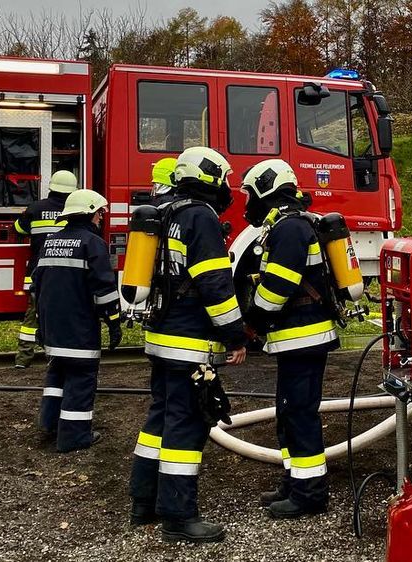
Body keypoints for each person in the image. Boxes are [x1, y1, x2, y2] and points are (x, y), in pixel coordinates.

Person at [127, 146, 247, 544]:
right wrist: (235, 334)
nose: (228, 187)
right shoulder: (200, 216)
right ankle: (179, 518)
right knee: (185, 425)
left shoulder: (162, 212)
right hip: (190, 341)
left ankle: (143, 503)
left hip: (160, 337)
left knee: (158, 419)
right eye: (224, 178)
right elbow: (215, 283)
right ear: (209, 177)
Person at [241, 159, 338, 519]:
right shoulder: (285, 226)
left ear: (266, 190)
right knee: (288, 413)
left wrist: (251, 321)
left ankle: (310, 494)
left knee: (300, 415)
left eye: (250, 194)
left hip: (304, 338)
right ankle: (294, 482)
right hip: (295, 338)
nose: (247, 201)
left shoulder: (290, 228)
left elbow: (277, 289)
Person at [30, 189, 123, 453]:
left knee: (57, 373)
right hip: (79, 327)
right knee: (81, 380)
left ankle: (49, 423)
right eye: (100, 213)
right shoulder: (92, 244)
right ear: (91, 213)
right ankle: (74, 437)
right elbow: (104, 290)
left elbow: (37, 284)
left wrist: (40, 324)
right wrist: (114, 323)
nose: (101, 218)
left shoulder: (50, 241)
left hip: (53, 327)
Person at [13, 169, 79, 369]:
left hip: (36, 275)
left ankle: (23, 358)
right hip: (64, 275)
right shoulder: (74, 212)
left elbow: (18, 229)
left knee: (31, 317)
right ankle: (57, 356)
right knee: (61, 315)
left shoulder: (36, 208)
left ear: (51, 187)